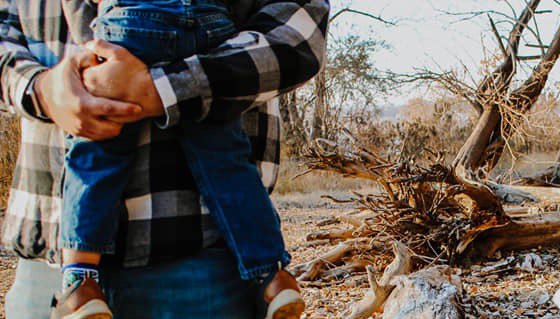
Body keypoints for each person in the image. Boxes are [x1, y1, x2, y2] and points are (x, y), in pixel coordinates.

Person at [0, 0, 329, 318]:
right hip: (43, 250)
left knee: (96, 154)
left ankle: (79, 279)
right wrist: (39, 88)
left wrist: (160, 89)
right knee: (226, 157)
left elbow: (299, 30)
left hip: (202, 259)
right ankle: (270, 271)